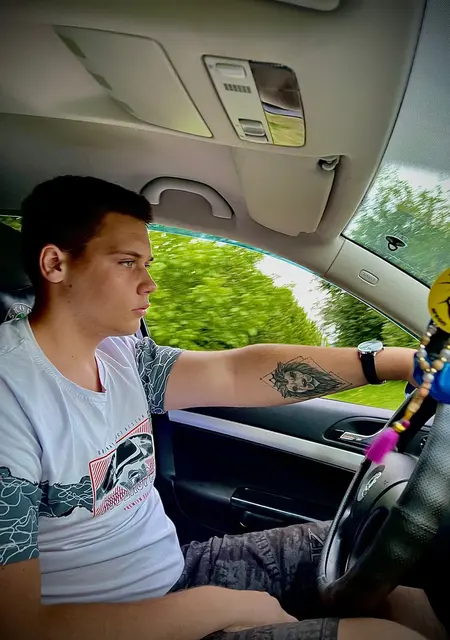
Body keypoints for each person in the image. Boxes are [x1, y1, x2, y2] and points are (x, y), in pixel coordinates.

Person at [0, 176, 432, 640]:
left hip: (177, 571)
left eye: (146, 264)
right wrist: (216, 607)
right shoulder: (11, 398)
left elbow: (234, 373)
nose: (149, 284)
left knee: (384, 566)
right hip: (108, 622)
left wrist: (399, 363)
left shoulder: (121, 354)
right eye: (127, 263)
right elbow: (21, 626)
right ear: (55, 263)